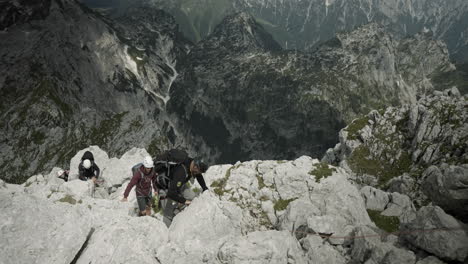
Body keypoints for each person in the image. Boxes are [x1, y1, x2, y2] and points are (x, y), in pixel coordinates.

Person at [161, 158, 209, 227]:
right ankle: (167, 230)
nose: (198, 174)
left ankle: (178, 209)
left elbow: (199, 176)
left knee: (192, 197)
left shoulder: (191, 163)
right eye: (199, 171)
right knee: (168, 214)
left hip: (180, 184)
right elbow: (171, 193)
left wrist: (204, 187)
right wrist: (184, 201)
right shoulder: (181, 172)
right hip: (168, 189)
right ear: (196, 167)